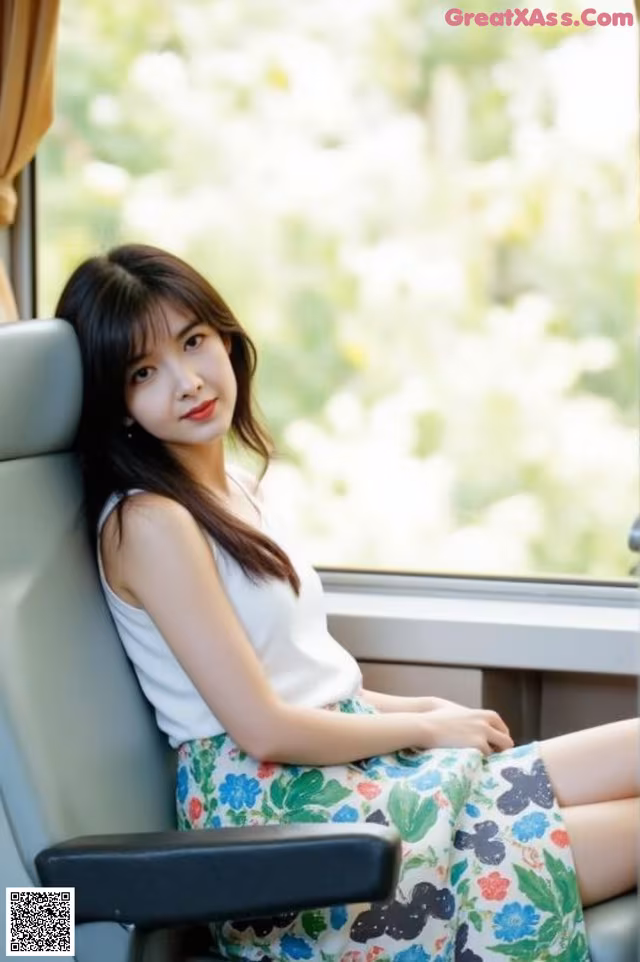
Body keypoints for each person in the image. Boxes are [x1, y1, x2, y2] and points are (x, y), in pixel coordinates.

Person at [56, 243, 638, 962]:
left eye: (194, 341)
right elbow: (263, 727)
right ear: (118, 405)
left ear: (226, 337)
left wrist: (422, 712)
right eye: (145, 372)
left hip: (346, 776)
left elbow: (307, 681)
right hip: (283, 825)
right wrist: (421, 733)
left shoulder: (230, 491)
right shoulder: (148, 523)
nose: (187, 381)